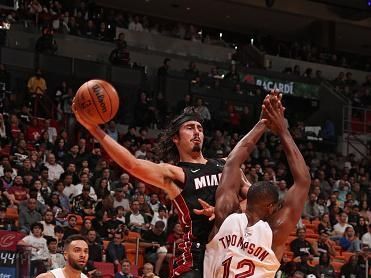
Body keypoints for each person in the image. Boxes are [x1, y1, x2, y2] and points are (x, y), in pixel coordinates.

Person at [73, 97, 251, 277]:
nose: (197, 132)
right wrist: (93, 129)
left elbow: (257, 200)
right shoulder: (173, 173)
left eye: (200, 128)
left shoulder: (225, 165)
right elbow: (131, 164)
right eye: (190, 128)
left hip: (232, 250)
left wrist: (224, 210)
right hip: (197, 254)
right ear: (175, 138)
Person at [204, 95, 311, 277]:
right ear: (271, 207)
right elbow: (303, 181)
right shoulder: (274, 232)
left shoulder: (225, 217)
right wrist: (282, 130)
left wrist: (261, 123)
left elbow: (231, 163)